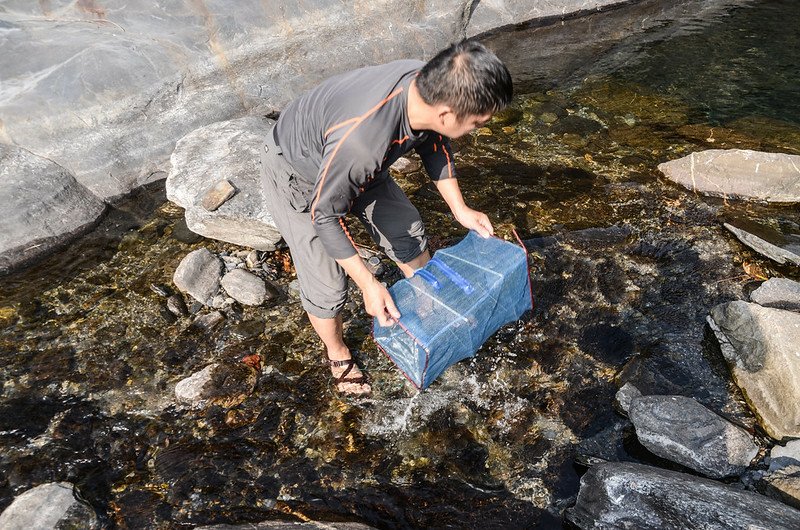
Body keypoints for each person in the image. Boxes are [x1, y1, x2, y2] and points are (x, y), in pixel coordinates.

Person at [259, 40, 513, 395]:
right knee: (329, 283)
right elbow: (324, 215)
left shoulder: (425, 88)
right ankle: (338, 353)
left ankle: (429, 310)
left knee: (407, 232)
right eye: (476, 123)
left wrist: (460, 209)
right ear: (446, 115)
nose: (477, 129)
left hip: (357, 163)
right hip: (299, 173)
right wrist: (368, 284)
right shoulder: (362, 142)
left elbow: (433, 144)